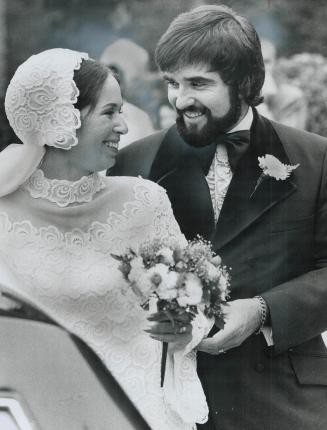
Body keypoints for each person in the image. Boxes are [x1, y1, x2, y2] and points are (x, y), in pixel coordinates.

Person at [109, 5, 327, 430]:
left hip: (283, 401)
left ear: (245, 83)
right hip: (167, 397)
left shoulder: (316, 159)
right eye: (172, 82)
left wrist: (264, 311)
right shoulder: (134, 161)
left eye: (199, 83)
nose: (180, 99)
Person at [0, 48, 210, 430]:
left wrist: (185, 328)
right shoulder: (2, 211)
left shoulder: (144, 201)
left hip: (135, 411)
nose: (124, 127)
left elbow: (196, 303)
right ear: (64, 120)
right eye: (110, 112)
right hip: (30, 411)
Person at [257, 38, 308, 129]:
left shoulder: (291, 97)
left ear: (274, 63)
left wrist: (261, 104)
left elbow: (286, 139)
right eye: (256, 62)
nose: (262, 68)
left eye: (266, 62)